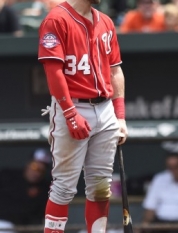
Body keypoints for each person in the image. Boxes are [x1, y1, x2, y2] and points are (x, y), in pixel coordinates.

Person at [37, 0, 128, 232]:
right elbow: (53, 70)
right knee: (64, 188)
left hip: (105, 107)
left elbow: (115, 70)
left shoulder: (106, 21)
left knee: (100, 186)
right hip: (73, 104)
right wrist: (70, 113)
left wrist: (120, 116)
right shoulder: (56, 19)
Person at [0, 148, 52, 229]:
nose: (37, 173)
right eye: (35, 167)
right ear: (28, 164)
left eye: (41, 170)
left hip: (24, 229)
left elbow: (39, 217)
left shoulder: (45, 189)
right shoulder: (7, 176)